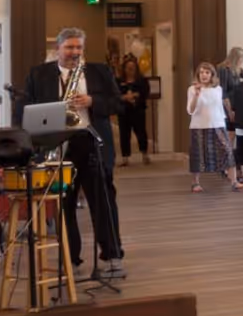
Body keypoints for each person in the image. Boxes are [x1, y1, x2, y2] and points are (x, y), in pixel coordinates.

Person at [22, 28, 125, 276]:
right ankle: (70, 256)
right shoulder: (39, 74)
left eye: (79, 47)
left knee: (103, 201)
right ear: (58, 49)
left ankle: (112, 254)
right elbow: (25, 108)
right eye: (69, 47)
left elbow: (117, 103)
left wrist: (93, 102)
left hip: (92, 142)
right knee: (63, 204)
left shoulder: (99, 71)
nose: (75, 52)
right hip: (58, 144)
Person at [186, 62, 238, 191]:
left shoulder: (217, 89)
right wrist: (197, 96)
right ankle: (195, 183)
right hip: (199, 126)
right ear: (198, 74)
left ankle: (234, 181)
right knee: (198, 154)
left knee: (227, 151)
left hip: (217, 124)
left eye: (207, 72)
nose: (204, 75)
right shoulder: (192, 89)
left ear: (212, 75)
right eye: (202, 72)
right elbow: (190, 110)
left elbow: (220, 108)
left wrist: (226, 119)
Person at [116, 55, 151, 167]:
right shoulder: (119, 81)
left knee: (141, 132)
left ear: (136, 68)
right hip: (124, 111)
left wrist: (136, 95)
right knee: (124, 134)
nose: (130, 70)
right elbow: (115, 94)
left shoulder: (142, 80)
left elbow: (145, 92)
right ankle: (125, 157)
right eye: (128, 68)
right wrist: (124, 97)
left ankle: (144, 154)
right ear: (124, 69)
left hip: (138, 110)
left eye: (132, 68)